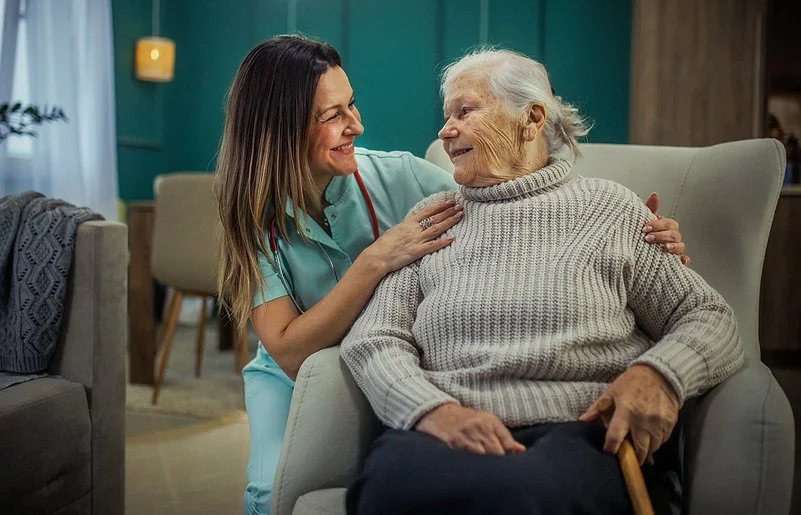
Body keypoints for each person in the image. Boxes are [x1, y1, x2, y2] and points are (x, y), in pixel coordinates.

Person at [213, 35, 689, 515]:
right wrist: (377, 262)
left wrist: (637, 229)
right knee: (271, 496)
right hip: (298, 365)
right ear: (283, 129)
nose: (356, 124)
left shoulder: (407, 178)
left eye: (350, 105)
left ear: (532, 118)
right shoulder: (251, 217)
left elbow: (503, 195)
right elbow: (304, 349)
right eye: (332, 115)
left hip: (564, 424)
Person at [340, 48, 743, 515]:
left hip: (580, 432)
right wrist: (431, 410)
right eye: (447, 116)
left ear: (531, 118)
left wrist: (660, 375)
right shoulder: (432, 219)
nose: (445, 131)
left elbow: (708, 316)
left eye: (464, 111)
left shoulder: (610, 209)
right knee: (386, 490)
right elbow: (374, 338)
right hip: (446, 426)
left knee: (520, 497)